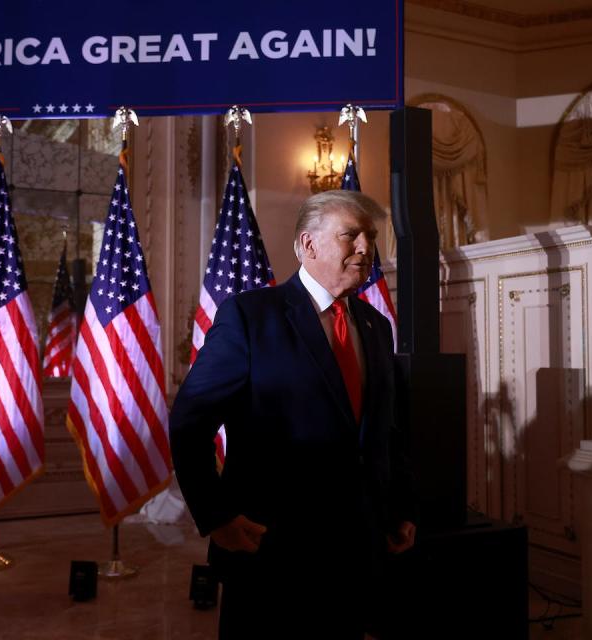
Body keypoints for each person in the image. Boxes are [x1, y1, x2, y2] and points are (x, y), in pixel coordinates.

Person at [170, 190, 417, 639]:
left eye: (371, 237)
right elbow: (190, 422)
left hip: (357, 549)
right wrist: (217, 516)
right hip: (271, 550)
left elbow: (386, 430)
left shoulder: (375, 326)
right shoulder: (249, 318)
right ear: (308, 245)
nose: (366, 248)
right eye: (351, 236)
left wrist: (397, 508)